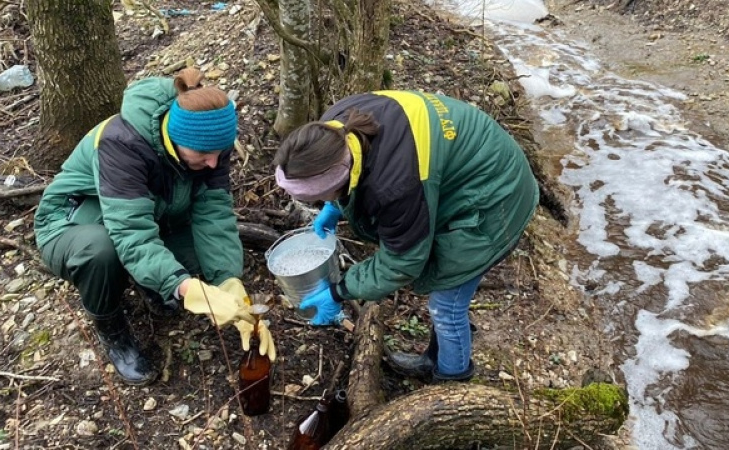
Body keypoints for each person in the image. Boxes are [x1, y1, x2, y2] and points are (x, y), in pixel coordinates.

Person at [274, 90, 539, 382]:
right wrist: (334, 205)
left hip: (496, 198)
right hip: (463, 168)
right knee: (446, 298)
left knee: (446, 307)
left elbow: (402, 262)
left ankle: (450, 384)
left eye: (318, 197)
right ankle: (436, 356)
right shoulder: (331, 131)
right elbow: (353, 178)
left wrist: (339, 291)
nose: (315, 204)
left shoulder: (396, 185)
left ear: (338, 176)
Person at [34, 68, 276, 386]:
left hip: (154, 219)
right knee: (103, 252)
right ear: (173, 139)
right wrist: (185, 287)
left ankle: (153, 282)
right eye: (204, 155)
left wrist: (229, 282)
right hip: (75, 225)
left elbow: (214, 214)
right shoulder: (122, 145)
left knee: (206, 258)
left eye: (220, 155)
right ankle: (113, 331)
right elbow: (131, 233)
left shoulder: (211, 144)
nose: (214, 164)